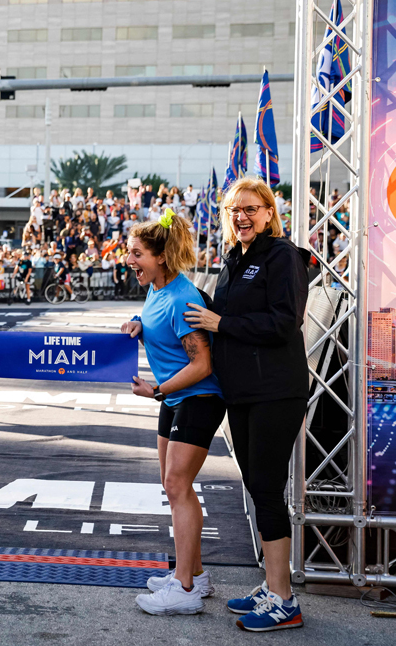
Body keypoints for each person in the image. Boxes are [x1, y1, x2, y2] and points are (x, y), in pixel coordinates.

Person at [183, 176, 310, 632]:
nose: (242, 216)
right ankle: (273, 585)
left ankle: (284, 600)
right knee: (258, 488)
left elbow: (283, 323)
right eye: (235, 210)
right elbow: (221, 316)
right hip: (243, 393)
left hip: (276, 390)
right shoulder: (234, 259)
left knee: (267, 489)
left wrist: (222, 323)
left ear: (269, 212)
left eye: (251, 209)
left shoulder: (283, 256)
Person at [120, 208, 225, 617]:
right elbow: (154, 318)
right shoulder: (156, 288)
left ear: (160, 257)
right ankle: (194, 574)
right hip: (174, 399)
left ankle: (184, 588)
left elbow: (203, 365)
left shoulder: (183, 297)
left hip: (199, 398)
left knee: (178, 485)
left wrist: (157, 390)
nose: (129, 260)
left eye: (137, 254)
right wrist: (137, 324)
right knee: (173, 485)